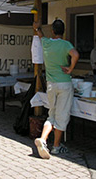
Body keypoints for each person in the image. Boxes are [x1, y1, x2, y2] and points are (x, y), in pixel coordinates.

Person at [33, 19, 79, 159]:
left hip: (51, 84)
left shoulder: (46, 43)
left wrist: (37, 28)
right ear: (63, 32)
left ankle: (43, 139)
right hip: (64, 84)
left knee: (51, 115)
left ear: (52, 31)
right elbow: (75, 55)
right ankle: (56, 147)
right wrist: (70, 68)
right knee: (62, 116)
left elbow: (40, 34)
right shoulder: (66, 45)